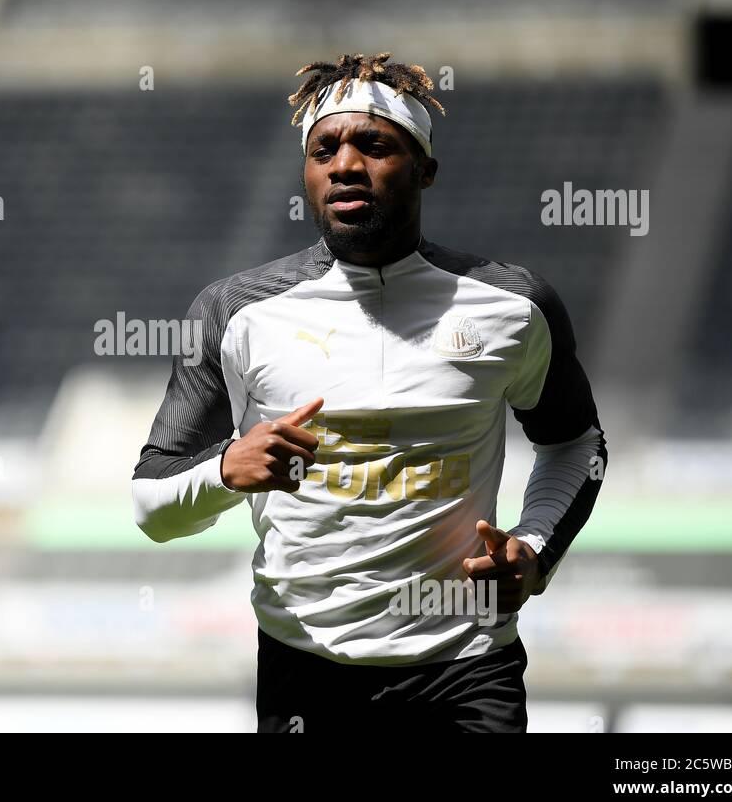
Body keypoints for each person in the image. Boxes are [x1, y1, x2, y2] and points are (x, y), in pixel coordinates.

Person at [132, 52, 606, 733]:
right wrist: (225, 471)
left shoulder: (513, 304)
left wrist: (531, 552)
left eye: (374, 145)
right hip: (306, 671)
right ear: (306, 171)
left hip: (466, 668)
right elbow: (152, 507)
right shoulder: (234, 312)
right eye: (325, 148)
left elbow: (576, 443)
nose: (346, 164)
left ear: (426, 168)